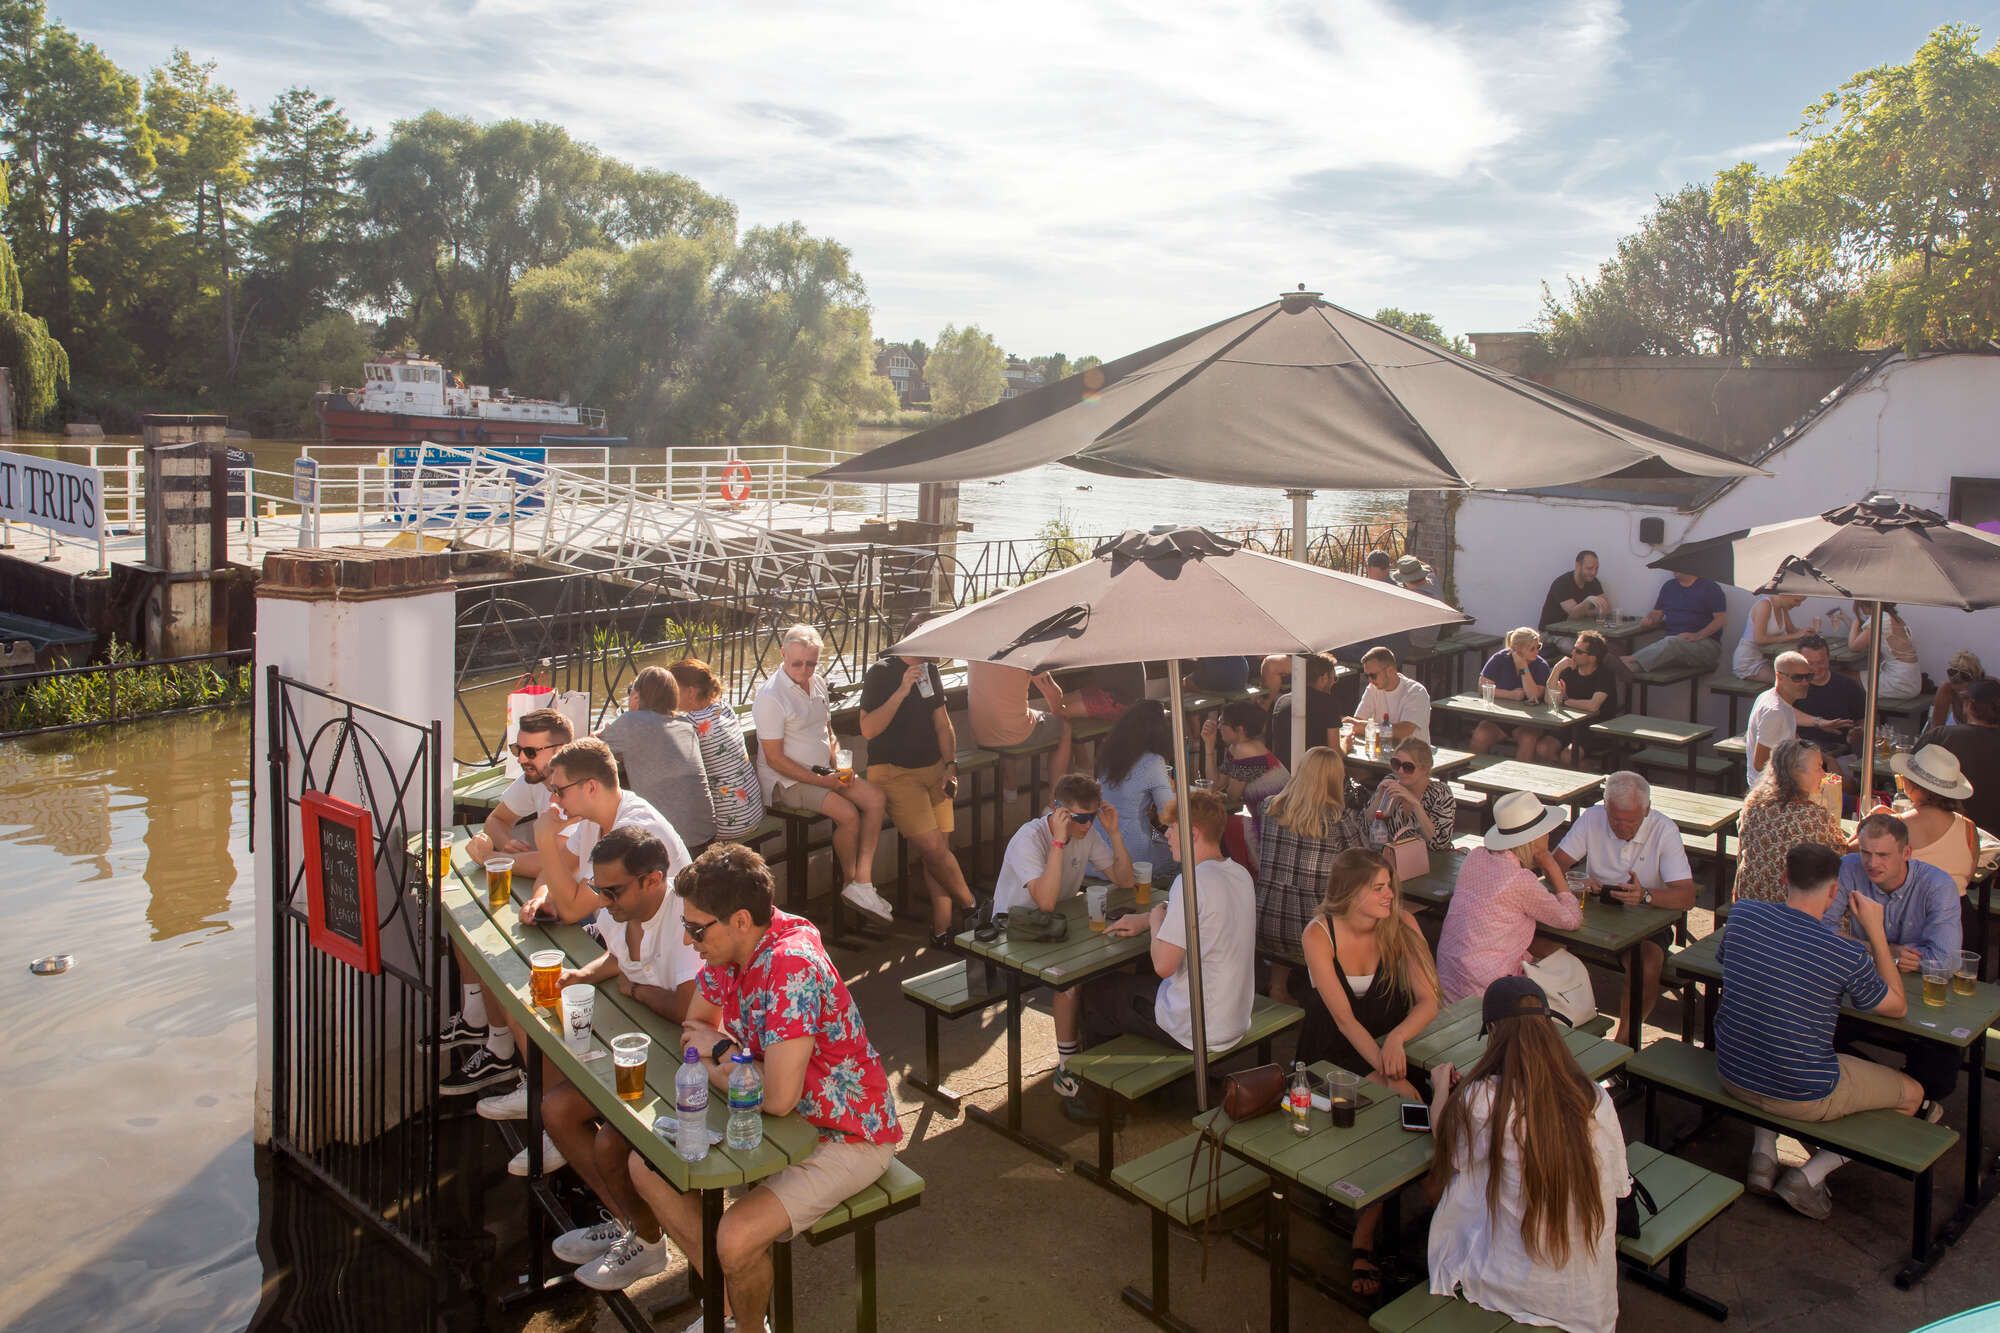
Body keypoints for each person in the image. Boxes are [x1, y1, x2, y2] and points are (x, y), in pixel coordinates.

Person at [625, 845, 901, 1326]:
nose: (689, 941)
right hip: (784, 1120)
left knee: (734, 1237)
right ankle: (729, 1308)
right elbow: (695, 1029)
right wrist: (725, 1058)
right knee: (646, 1165)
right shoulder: (729, 944)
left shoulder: (790, 965)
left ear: (740, 920)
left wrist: (725, 1055)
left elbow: (774, 1097)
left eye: (696, 928)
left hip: (845, 1135)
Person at [1715, 842, 1924, 1220]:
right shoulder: (1845, 953)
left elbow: (1730, 961)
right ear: (1833, 891)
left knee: (1768, 1033)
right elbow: (1897, 1005)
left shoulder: (1743, 914)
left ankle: (1763, 1153)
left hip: (1732, 1072)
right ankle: (1810, 1176)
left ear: (1784, 879)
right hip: (1801, 1093)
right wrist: (1876, 933)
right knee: (1913, 1094)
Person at [538, 828, 702, 1287]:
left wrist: (638, 992)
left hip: (693, 1064)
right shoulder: (617, 909)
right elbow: (617, 957)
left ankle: (649, 1245)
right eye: (599, 888)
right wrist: (581, 973)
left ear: (653, 881)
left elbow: (690, 1008)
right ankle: (628, 1220)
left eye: (613, 890)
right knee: (556, 1108)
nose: (604, 899)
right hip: (644, 1049)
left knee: (612, 1142)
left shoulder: (684, 919)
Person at [1426, 975, 1629, 1333]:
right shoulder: (1594, 1097)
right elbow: (1618, 1186)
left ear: (1492, 1029)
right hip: (1588, 1299)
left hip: (1513, 1286)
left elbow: (1448, 1147)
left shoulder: (1483, 1099)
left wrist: (1440, 1088)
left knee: (1464, 1187)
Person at [1298, 846, 1441, 1298]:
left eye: (1389, 886)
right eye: (1377, 888)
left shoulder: (1403, 924)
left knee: (1416, 1111)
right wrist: (1384, 1071)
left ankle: (1424, 1207)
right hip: (1331, 1058)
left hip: (1389, 1048)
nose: (1389, 895)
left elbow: (1429, 999)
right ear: (1349, 892)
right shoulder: (1319, 934)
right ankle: (1381, 1227)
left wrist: (1396, 1041)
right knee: (1405, 1106)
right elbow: (1344, 1020)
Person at [1084, 789, 1255, 1112]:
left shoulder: (1191, 882)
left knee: (1099, 992)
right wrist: (1150, 919)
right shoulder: (1238, 875)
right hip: (1236, 1018)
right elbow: (1203, 919)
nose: (1167, 835)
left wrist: (1156, 922)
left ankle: (1100, 1102)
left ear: (1193, 833)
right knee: (1138, 985)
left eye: (1171, 829)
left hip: (1198, 1027)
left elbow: (1164, 965)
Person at [443, 707, 574, 1095]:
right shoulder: (536, 776)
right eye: (518, 748)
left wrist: (498, 859)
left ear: (561, 748)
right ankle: (489, 1033)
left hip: (582, 906)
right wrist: (499, 842)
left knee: (503, 956)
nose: (520, 759)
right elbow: (496, 820)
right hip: (549, 890)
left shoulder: (576, 784)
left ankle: (541, 1091)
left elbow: (562, 863)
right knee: (470, 921)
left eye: (531, 752)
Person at [990, 773, 1134, 1108]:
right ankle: (1067, 1068)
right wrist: (1058, 841)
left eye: (1092, 817)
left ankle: (1103, 1049)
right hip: (1013, 932)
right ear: (1059, 812)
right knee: (1068, 979)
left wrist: (1113, 832)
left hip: (1057, 926)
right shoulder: (1030, 838)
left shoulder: (1088, 832)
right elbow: (1046, 901)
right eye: (1080, 818)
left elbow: (1124, 880)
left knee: (1122, 956)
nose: (1086, 826)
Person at [752, 625, 894, 925]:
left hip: (823, 772)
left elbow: (826, 731)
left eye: (811, 663)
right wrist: (821, 781)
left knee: (876, 799)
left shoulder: (816, 683)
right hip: (787, 783)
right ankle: (849, 884)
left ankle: (862, 883)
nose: (804, 670)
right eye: (798, 663)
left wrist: (840, 764)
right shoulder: (770, 696)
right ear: (782, 655)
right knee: (848, 813)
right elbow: (775, 759)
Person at [1828, 814, 1963, 1115]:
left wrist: (1868, 948)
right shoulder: (1848, 868)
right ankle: (1892, 1096)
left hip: (1923, 997)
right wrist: (1886, 950)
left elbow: (1946, 960)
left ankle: (1892, 1096)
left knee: (1941, 1072)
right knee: (1811, 1034)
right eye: (1866, 852)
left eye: (1883, 855)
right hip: (1864, 987)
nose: (1872, 862)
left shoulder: (1937, 885)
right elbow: (1822, 932)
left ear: (1906, 854)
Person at [1551, 772, 1697, 1044]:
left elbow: (1687, 896)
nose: (1622, 827)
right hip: (1593, 910)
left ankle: (1625, 1041)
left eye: (1632, 821)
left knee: (1647, 964)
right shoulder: (1593, 817)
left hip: (1646, 919)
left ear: (1647, 810)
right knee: (1539, 940)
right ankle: (1559, 1030)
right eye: (1616, 819)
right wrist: (1574, 883)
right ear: (1605, 807)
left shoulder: (1664, 829)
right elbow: (1555, 864)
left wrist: (1646, 896)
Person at [857, 640, 978, 947]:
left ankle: (942, 929)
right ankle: (974, 908)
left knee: (940, 851)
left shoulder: (931, 669)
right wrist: (900, 691)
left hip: (934, 770)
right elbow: (868, 729)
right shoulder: (881, 672)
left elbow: (942, 723)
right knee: (935, 849)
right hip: (894, 772)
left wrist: (950, 765)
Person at [1436, 792, 1582, 1003]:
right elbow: (1571, 920)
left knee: (1543, 948)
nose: (1549, 836)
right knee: (1563, 957)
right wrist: (1553, 868)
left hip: (1450, 978)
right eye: (1546, 832)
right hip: (1488, 989)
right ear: (1533, 839)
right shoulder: (1518, 880)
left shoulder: (1475, 856)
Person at [1255, 747, 1370, 970]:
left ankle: (1279, 986)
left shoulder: (1269, 807)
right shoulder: (1338, 821)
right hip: (1311, 930)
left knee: (1287, 888)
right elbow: (1366, 865)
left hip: (1265, 918)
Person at [599, 667, 718, 854]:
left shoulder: (632, 721)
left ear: (637, 695)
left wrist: (629, 714)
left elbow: (590, 749)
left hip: (674, 843)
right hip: (706, 832)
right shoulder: (686, 725)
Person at [1732, 738, 1847, 904]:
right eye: (1818, 768)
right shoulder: (1812, 816)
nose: (1823, 774)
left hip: (1748, 902)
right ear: (1796, 773)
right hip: (1787, 909)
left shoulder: (1753, 802)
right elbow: (1838, 856)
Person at [670, 657, 764, 841]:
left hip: (729, 825)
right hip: (753, 811)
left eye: (673, 689)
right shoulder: (724, 708)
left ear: (690, 691)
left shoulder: (690, 724)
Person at [1884, 744, 1981, 894]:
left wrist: (1873, 820)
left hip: (1912, 912)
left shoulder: (1897, 825)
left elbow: (1853, 850)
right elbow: (1966, 878)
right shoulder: (1969, 827)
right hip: (1959, 910)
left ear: (1910, 784)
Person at [1097, 700, 1178, 872]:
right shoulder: (1153, 761)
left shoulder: (1108, 754)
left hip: (1097, 854)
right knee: (1181, 854)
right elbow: (1169, 813)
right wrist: (1172, 789)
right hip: (1130, 854)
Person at [966, 660, 1073, 787]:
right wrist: (1058, 713)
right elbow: (1053, 693)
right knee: (1065, 728)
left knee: (1010, 717)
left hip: (981, 734)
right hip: (1014, 734)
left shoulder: (977, 648)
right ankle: (1055, 797)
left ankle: (1010, 787)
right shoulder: (1025, 652)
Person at [1919, 678, 2000, 841]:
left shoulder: (1942, 736)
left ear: (1969, 705)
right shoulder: (1943, 735)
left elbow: (1909, 778)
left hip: (1945, 834)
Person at [1619, 569, 1727, 676]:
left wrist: (1697, 635)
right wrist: (1649, 620)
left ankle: (1631, 658)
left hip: (1705, 646)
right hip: (1671, 647)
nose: (1673, 569)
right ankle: (1621, 667)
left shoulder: (1710, 588)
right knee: (1635, 666)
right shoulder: (1669, 586)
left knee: (1673, 642)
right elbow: (1657, 613)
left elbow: (1720, 619)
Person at [1364, 737, 1458, 854]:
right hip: (1392, 858)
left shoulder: (1440, 793)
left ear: (1424, 769)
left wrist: (1415, 804)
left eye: (1408, 767)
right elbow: (1366, 827)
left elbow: (1439, 843)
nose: (1400, 771)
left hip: (1429, 861)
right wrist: (1379, 797)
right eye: (1396, 764)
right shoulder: (1390, 782)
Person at [1469, 627, 1550, 758]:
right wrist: (1510, 695)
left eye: (1538, 647)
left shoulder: (1541, 665)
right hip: (1498, 718)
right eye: (1532, 648)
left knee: (1528, 739)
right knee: (1480, 735)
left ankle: (1521, 775)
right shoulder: (1500, 659)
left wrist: (1524, 667)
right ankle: (1468, 771)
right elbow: (1482, 687)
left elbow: (1534, 696)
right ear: (1517, 649)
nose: (1537, 651)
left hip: (1527, 722)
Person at [1541, 630, 1619, 764]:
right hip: (1568, 724)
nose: (1572, 654)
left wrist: (1566, 701)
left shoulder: (1604, 674)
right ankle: (1559, 778)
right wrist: (1557, 669)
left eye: (1578, 651)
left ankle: (1578, 774)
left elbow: (1593, 706)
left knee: (1569, 756)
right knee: (1544, 748)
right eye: (1573, 649)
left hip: (1594, 728)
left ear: (1592, 657)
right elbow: (1549, 700)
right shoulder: (1568, 670)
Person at [1201, 699, 1288, 812]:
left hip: (1277, 821)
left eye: (1222, 722)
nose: (1218, 727)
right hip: (1270, 816)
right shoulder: (1236, 748)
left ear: (1239, 729)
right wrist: (1209, 746)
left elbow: (1232, 796)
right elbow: (1215, 785)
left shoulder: (1245, 750)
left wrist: (1218, 794)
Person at [1744, 650, 1811, 788]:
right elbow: (1761, 764)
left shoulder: (1769, 696)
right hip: (1771, 793)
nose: (1805, 682)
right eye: (1797, 678)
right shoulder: (1775, 712)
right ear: (1779, 677)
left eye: (1808, 676)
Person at [1345, 646, 1432, 745]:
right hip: (1383, 753)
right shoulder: (1373, 688)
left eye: (1373, 675)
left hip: (1413, 756)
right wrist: (1360, 725)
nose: (1370, 680)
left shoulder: (1416, 691)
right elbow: (1356, 723)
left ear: (1390, 670)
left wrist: (1365, 726)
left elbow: (1403, 731)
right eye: (1367, 676)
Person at [1270, 652, 1343, 769]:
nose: (1334, 682)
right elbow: (1335, 754)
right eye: (1334, 678)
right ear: (1324, 677)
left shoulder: (1281, 701)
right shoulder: (1328, 703)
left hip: (1283, 776)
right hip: (1312, 776)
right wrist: (1346, 745)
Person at [1794, 634, 1865, 753]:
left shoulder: (1848, 685)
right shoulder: (1793, 686)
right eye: (1810, 663)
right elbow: (1783, 717)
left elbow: (1863, 721)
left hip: (1841, 752)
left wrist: (1857, 735)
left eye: (1821, 662)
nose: (1816, 668)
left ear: (1828, 658)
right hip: (1802, 753)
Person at [1537, 549, 1610, 651]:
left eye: (1596, 568)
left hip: (1578, 631)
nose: (1593, 572)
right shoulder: (1562, 584)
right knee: (1580, 651)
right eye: (1589, 568)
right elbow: (1573, 615)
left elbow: (1605, 608)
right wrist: (1588, 601)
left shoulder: (1593, 582)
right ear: (1578, 566)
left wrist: (1586, 611)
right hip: (1552, 633)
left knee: (1609, 645)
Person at [1850, 601, 1923, 699]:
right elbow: (1861, 640)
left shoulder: (1879, 618)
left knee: (1844, 677)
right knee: (1849, 677)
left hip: (1899, 683)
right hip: (1910, 679)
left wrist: (1855, 623)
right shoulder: (1892, 617)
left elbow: (1854, 646)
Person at [1730, 593, 1808, 683]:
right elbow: (1760, 639)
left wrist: (1806, 632)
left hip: (1769, 658)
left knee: (1802, 674)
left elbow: (1792, 631)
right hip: (1749, 661)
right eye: (1797, 601)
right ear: (1784, 594)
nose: (1798, 605)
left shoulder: (1782, 608)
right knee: (1787, 681)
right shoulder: (1764, 605)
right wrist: (1793, 636)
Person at [1392, 556, 1447, 654]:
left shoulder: (1415, 597)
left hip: (1415, 646)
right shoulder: (1433, 581)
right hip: (1431, 641)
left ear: (1406, 580)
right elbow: (1430, 569)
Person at [1929, 650, 1986, 728]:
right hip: (1958, 725)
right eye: (1956, 685)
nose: (1962, 693)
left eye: (1966, 685)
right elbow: (1936, 727)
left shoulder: (1990, 690)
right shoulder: (1947, 688)